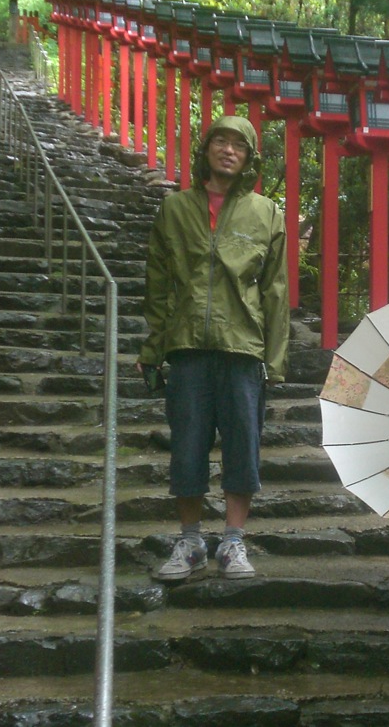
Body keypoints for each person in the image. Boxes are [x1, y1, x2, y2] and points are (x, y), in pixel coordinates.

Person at [137, 115, 289, 582]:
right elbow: (158, 285)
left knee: (243, 445)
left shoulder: (266, 213)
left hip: (243, 347)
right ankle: (189, 540)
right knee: (186, 446)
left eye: (238, 145)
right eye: (220, 142)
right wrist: (152, 349)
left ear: (249, 158)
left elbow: (276, 291)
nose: (228, 150)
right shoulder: (175, 209)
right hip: (186, 346)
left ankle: (233, 542)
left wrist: (275, 360)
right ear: (206, 150)